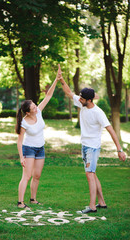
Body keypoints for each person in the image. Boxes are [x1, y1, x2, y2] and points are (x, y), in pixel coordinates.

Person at [57, 64, 126, 214]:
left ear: (89, 100)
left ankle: (92, 206)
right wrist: (61, 79)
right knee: (92, 173)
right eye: (80, 97)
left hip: (93, 147)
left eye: (82, 98)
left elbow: (111, 130)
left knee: (89, 174)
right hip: (85, 145)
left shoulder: (98, 113)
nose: (79, 99)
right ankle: (101, 202)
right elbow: (69, 93)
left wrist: (119, 150)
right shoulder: (83, 105)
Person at [16, 68, 60, 208]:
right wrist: (21, 157)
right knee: (27, 176)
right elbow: (19, 140)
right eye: (33, 108)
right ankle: (20, 202)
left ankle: (33, 199)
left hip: (40, 149)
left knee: (37, 176)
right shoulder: (24, 122)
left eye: (35, 106)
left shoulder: (39, 112)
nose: (36, 108)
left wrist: (56, 79)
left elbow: (48, 96)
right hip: (28, 149)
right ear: (28, 112)